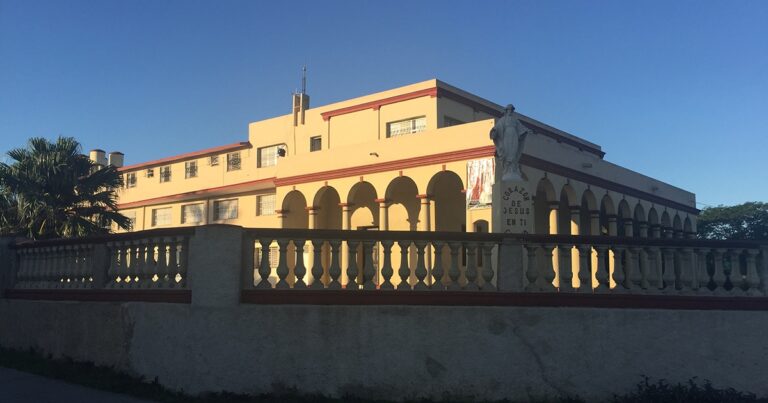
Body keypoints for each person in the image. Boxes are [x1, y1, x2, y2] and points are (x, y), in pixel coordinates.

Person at [489, 104, 531, 181]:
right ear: (506, 111)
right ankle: (508, 169)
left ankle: (514, 168)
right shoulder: (502, 120)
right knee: (507, 151)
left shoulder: (515, 120)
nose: (510, 111)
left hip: (514, 136)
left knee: (514, 151)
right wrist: (494, 131)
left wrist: (525, 131)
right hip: (506, 136)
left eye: (511, 110)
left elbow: (521, 128)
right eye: (509, 110)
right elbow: (497, 128)